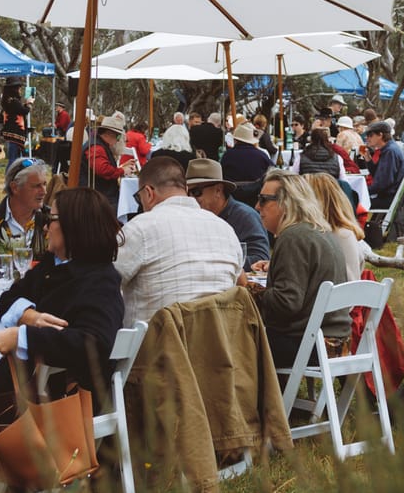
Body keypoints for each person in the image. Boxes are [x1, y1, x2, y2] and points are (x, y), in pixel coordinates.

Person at [0, 187, 127, 401]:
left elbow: (94, 343)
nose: (44, 226)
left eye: (50, 218)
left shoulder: (100, 280)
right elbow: (8, 298)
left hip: (64, 398)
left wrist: (22, 337)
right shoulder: (53, 266)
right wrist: (30, 316)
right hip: (35, 385)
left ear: (73, 226)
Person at [113, 154, 244, 328]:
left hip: (156, 348)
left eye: (139, 198)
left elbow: (103, 282)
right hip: (219, 346)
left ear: (149, 193)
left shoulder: (140, 228)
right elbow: (239, 284)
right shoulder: (225, 229)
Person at [245, 171, 351, 369]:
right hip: (335, 340)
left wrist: (248, 287)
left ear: (286, 203)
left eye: (263, 199)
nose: (257, 206)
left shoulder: (293, 237)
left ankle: (265, 400)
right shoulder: (321, 231)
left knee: (236, 343)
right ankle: (280, 398)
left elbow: (286, 303)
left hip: (307, 345)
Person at [185, 157, 269, 269]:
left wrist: (216, 262)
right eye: (186, 192)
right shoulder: (190, 216)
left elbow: (260, 258)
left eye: (196, 192)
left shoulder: (245, 217)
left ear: (218, 190)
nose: (190, 197)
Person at [86, 118, 130, 213]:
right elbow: (103, 170)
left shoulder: (99, 145)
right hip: (99, 197)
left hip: (100, 194)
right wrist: (122, 171)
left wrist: (121, 168)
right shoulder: (97, 147)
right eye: (118, 137)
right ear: (109, 134)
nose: (118, 140)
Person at [364, 121, 404, 210]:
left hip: (388, 198)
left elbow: (383, 183)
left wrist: (363, 191)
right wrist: (368, 159)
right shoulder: (388, 149)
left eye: (370, 135)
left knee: (349, 202)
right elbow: (378, 175)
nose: (367, 138)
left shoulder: (390, 151)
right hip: (387, 195)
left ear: (380, 135)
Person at [220, 119, 273, 186]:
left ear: (235, 139)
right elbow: (274, 173)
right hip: (257, 193)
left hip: (232, 193)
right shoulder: (262, 156)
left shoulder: (227, 156)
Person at [0, 92, 30, 168]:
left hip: (14, 134)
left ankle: (13, 175)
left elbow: (20, 110)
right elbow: (24, 111)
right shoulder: (13, 102)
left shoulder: (9, 103)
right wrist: (29, 104)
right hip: (14, 134)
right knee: (13, 159)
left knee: (16, 158)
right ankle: (9, 176)